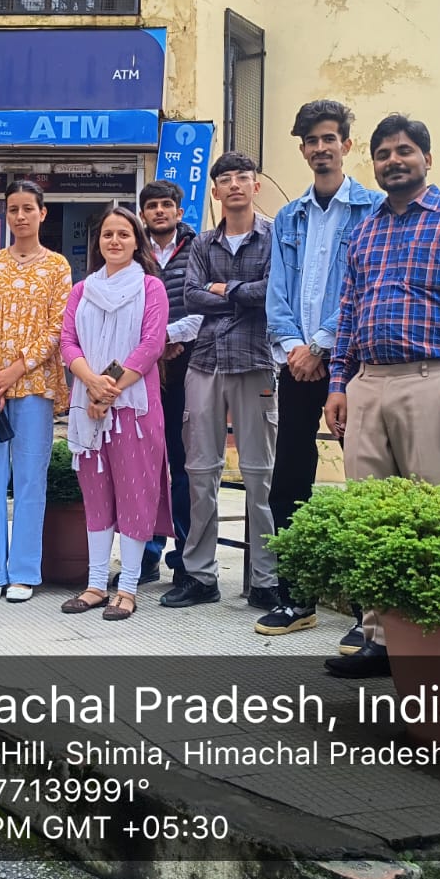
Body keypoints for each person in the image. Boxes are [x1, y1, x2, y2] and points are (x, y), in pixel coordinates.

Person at [322, 114, 440, 676]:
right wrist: (338, 384)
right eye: (383, 154)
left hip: (432, 381)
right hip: (367, 382)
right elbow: (348, 311)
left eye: (404, 151)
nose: (393, 161)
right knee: (372, 518)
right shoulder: (363, 232)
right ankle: (380, 639)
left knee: (438, 516)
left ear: (427, 158)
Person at [259, 100, 384, 643]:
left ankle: (367, 616)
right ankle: (295, 598)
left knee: (363, 480)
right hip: (296, 365)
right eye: (311, 140)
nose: (320, 148)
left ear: (346, 145)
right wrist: (295, 348)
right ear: (303, 149)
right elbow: (277, 293)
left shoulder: (374, 209)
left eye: (329, 138)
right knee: (288, 480)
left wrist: (321, 345)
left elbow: (366, 286)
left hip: (352, 362)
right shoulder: (289, 217)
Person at [163, 151, 278, 609]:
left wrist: (223, 290)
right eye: (225, 179)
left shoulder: (275, 236)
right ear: (214, 191)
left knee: (260, 475)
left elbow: (273, 292)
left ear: (255, 186)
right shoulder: (202, 243)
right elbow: (191, 296)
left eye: (242, 177)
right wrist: (242, 296)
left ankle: (266, 579)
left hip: (255, 361)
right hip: (205, 363)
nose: (234, 185)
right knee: (200, 473)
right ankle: (200, 575)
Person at [58, 207, 171, 621]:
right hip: (88, 406)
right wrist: (91, 382)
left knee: (135, 494)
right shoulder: (82, 290)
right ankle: (95, 584)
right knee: (96, 495)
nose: (115, 241)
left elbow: (151, 344)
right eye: (108, 234)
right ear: (98, 242)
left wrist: (108, 391)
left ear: (137, 241)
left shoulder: (150, 287)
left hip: (133, 408)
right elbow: (67, 342)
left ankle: (127, 588)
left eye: (124, 234)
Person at [0, 180, 71, 603]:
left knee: (30, 478)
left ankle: (25, 571)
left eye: (29, 208)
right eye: (13, 209)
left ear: (42, 213)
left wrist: (14, 371)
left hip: (33, 385)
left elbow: (57, 328)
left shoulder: (58, 266)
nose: (21, 216)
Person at [128, 180, 200, 589]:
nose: (159, 211)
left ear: (179, 211)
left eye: (166, 205)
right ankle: (145, 555)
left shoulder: (200, 248)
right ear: (143, 213)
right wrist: (151, 346)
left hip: (188, 364)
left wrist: (168, 337)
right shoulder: (132, 252)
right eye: (152, 205)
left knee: (183, 462)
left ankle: (187, 559)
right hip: (142, 370)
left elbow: (206, 303)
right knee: (145, 464)